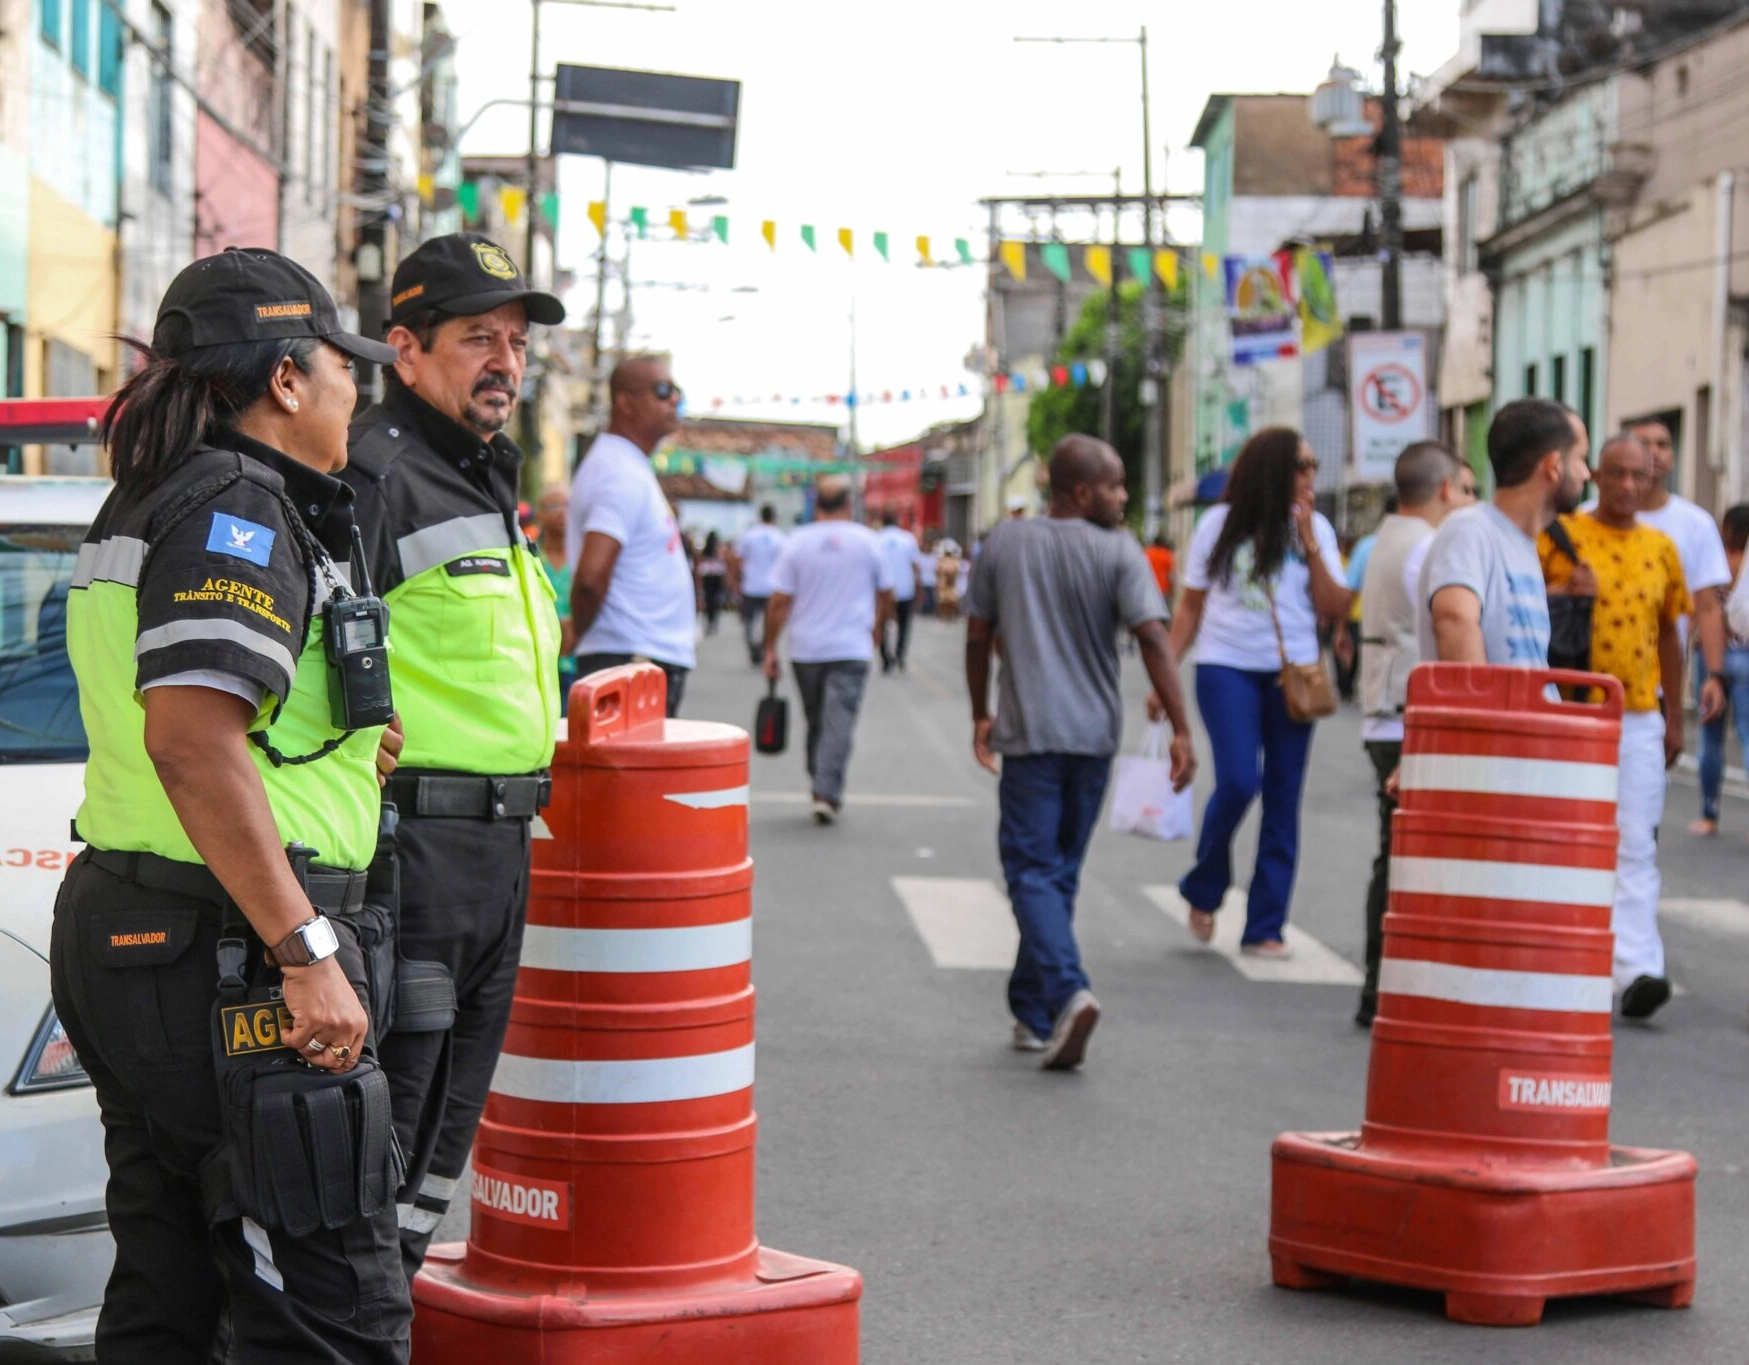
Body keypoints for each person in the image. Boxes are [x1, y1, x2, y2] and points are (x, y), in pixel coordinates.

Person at [51, 248, 410, 1362]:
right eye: (342, 365)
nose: (358, 389)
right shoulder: (238, 505)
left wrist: (345, 758)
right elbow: (193, 746)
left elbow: (210, 720)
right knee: (332, 1310)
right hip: (233, 950)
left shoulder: (154, 492)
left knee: (172, 1291)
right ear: (287, 382)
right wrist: (304, 947)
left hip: (143, 932)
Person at [343, 230, 565, 1276]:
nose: (506, 362)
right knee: (380, 1152)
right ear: (405, 348)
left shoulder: (480, 482)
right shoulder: (376, 475)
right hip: (413, 859)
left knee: (439, 1156)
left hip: (501, 858)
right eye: (479, 337)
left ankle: (387, 1318)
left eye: (516, 342)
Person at [967, 435, 1196, 1071]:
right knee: (1055, 873)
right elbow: (1152, 637)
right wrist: (1182, 726)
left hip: (1032, 737)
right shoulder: (1119, 551)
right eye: (1115, 486)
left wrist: (979, 711)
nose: (1124, 498)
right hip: (1093, 739)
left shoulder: (1006, 543)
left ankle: (1066, 992)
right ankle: (1032, 1011)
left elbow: (978, 633)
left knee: (1033, 872)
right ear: (1079, 492)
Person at [1169, 428, 1352, 958]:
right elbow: (1190, 607)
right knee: (1238, 781)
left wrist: (1310, 543)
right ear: (1274, 470)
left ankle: (1265, 925)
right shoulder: (1217, 525)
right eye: (1303, 464)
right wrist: (1167, 674)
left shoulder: (1313, 526)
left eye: (1314, 463)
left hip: (1292, 676)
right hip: (1226, 668)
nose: (1311, 473)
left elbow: (1334, 604)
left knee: (1283, 798)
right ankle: (1204, 885)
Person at [1539, 434, 1690, 1019]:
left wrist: (1672, 713)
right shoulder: (1562, 538)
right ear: (1596, 475)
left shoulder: (1661, 548)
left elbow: (1672, 635)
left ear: (1654, 479)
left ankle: (1637, 968)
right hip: (1571, 711)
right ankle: (1565, 958)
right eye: (1618, 474)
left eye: (1641, 476)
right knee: (1566, 840)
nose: (1629, 486)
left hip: (1638, 719)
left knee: (1634, 842)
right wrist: (1562, 591)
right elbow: (1525, 605)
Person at [1353, 444, 1476, 1027]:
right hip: (1408, 712)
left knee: (1395, 853)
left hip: (1384, 707)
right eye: (1469, 490)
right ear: (1446, 489)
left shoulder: (1384, 539)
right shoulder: (1427, 546)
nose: (1471, 504)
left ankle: (1380, 985)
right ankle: (1389, 987)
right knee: (1409, 857)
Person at [1611, 420, 1730, 833]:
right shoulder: (1583, 522)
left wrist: (1714, 675)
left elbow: (1709, 607)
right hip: (1593, 689)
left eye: (1663, 444)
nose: (1655, 452)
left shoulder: (1694, 524)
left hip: (1656, 689)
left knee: (1642, 819)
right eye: (1645, 443)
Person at [762, 476, 895, 824]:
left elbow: (778, 601)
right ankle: (824, 785)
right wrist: (879, 626)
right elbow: (887, 593)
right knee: (835, 723)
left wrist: (769, 647)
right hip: (852, 647)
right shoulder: (869, 542)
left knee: (819, 721)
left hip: (806, 649)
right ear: (849, 505)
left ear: (816, 505)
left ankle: (823, 787)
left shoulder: (797, 543)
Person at [1419, 397, 1590, 666]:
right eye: (1581, 459)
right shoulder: (1471, 529)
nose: (1586, 473)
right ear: (1554, 466)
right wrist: (1483, 707)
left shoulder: (1520, 543)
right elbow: (1454, 621)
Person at [568, 355, 694, 715]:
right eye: (662, 391)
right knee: (635, 772)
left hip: (636, 658)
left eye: (676, 392)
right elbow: (592, 577)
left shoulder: (627, 464)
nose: (674, 400)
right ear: (623, 402)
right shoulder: (617, 471)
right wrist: (580, 632)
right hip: (629, 662)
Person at [1699, 506, 1749, 830]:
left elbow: (1702, 609)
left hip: (1713, 657)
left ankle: (1709, 815)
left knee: (1710, 739)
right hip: (1746, 656)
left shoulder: (1716, 560)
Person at [535, 484, 577, 714]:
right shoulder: (530, 557)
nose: (561, 512)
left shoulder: (582, 558)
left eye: (567, 506)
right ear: (539, 513)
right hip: (541, 663)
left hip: (575, 661)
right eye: (553, 506)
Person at [732, 503, 787, 667]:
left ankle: (752, 645)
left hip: (751, 585)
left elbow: (737, 557)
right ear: (774, 518)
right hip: (772, 587)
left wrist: (736, 579)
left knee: (748, 621)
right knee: (768, 621)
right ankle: (764, 648)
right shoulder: (780, 537)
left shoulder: (749, 535)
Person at [876, 510, 921, 672]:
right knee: (903, 625)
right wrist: (918, 589)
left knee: (882, 624)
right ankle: (900, 655)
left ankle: (886, 658)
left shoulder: (876, 539)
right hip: (905, 590)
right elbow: (916, 566)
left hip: (883, 591)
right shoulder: (908, 539)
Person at [698, 530, 728, 635]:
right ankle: (714, 621)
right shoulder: (718, 549)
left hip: (707, 575)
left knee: (709, 599)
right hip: (716, 575)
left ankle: (710, 621)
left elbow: (700, 563)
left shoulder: (705, 549)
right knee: (716, 600)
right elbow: (723, 562)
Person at [935, 539, 963, 622]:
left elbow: (956, 571)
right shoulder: (941, 560)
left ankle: (951, 616)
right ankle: (943, 616)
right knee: (942, 601)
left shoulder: (955, 561)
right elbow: (938, 571)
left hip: (951, 584)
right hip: (943, 584)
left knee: (953, 602)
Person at [1144, 531, 1176, 603]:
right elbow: (1171, 576)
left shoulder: (1147, 552)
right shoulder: (1167, 554)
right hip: (1162, 589)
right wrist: (1172, 590)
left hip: (1148, 588)